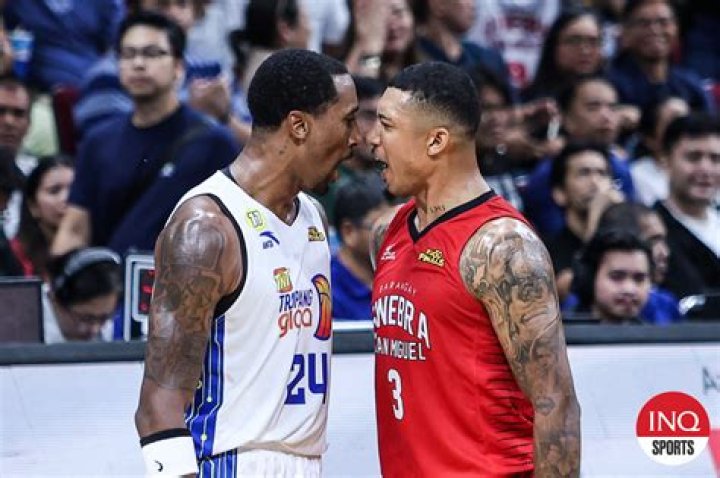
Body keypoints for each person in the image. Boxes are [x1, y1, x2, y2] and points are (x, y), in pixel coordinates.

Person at [134, 49, 358, 476]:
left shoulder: (313, 216)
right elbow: (157, 406)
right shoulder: (206, 230)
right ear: (299, 125)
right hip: (231, 462)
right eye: (348, 121)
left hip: (306, 461)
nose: (357, 139)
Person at [369, 62, 580, 476]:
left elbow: (555, 404)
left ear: (436, 140)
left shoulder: (504, 248)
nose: (372, 139)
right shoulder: (387, 232)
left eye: (386, 125)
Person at [52, 12, 240, 257]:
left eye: (152, 53)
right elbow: (75, 229)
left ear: (178, 67)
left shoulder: (213, 142)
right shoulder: (97, 141)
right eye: (128, 54)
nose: (138, 64)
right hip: (110, 277)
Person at [331, 177, 390, 320]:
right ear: (349, 231)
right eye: (380, 228)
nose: (391, 235)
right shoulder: (326, 289)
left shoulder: (399, 278)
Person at [10, 156, 74, 279]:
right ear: (33, 206)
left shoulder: (96, 252)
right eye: (54, 191)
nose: (66, 198)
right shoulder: (13, 254)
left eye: (74, 190)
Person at [571, 228, 653, 324]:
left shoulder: (655, 332)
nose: (629, 289)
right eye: (617, 277)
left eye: (639, 279)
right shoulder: (562, 331)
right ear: (590, 278)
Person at [44, 247, 123, 343]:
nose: (95, 330)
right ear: (54, 298)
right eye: (86, 318)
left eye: (103, 318)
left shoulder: (108, 328)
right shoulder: (29, 326)